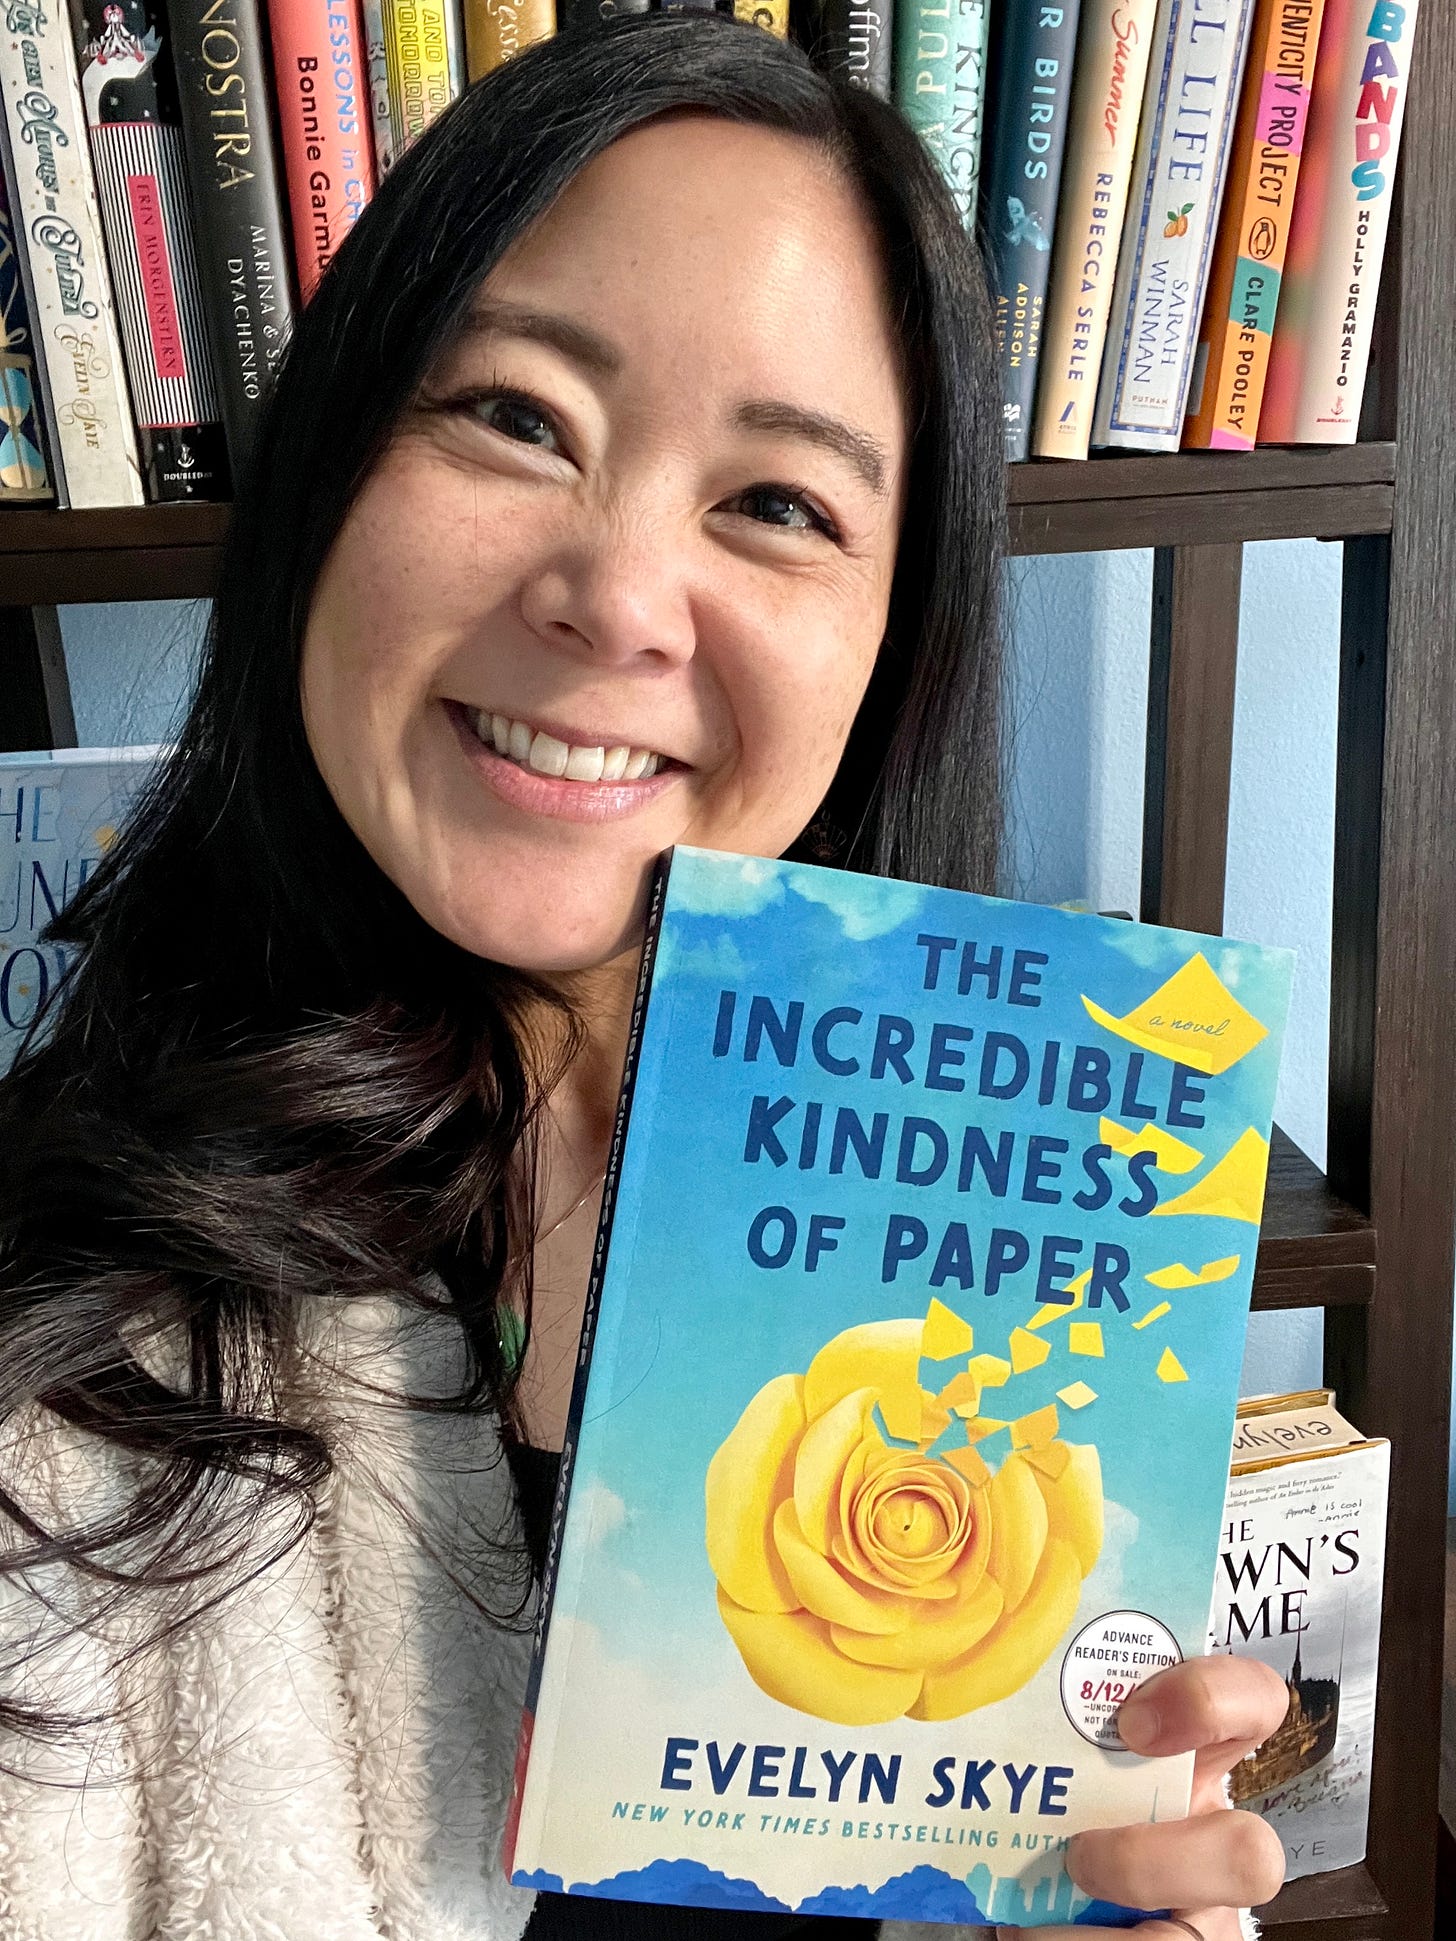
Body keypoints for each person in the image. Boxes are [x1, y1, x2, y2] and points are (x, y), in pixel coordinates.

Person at [0, 16, 1287, 1941]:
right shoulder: (48, 1335)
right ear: (333, 470)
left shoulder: (1017, 1252)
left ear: (891, 639)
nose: (614, 595)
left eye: (777, 504)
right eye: (517, 415)